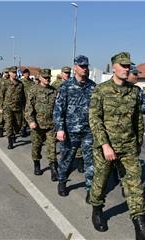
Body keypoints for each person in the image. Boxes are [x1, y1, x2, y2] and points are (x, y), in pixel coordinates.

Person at [89, 52, 145, 238]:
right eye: (122, 65)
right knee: (101, 181)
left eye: (128, 65)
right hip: (106, 147)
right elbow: (94, 119)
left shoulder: (134, 91)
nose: (126, 68)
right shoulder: (101, 90)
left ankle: (140, 225)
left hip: (128, 147)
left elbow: (138, 119)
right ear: (113, 67)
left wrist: (139, 142)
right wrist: (105, 145)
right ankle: (97, 210)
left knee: (135, 184)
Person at [54, 55, 96, 202]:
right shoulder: (65, 86)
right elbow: (58, 109)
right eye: (81, 66)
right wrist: (60, 129)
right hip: (70, 131)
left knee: (90, 161)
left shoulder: (93, 86)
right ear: (75, 67)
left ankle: (91, 190)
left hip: (88, 131)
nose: (84, 69)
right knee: (67, 158)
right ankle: (62, 181)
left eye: (86, 66)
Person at [25, 69, 58, 181]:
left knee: (51, 148)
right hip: (37, 125)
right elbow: (29, 108)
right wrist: (31, 121)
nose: (47, 79)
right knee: (36, 146)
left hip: (51, 125)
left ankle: (54, 169)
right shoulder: (33, 90)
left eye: (49, 77)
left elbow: (57, 108)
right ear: (40, 78)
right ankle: (37, 163)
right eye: (45, 77)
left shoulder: (54, 91)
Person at [0, 66, 25, 149]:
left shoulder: (20, 84)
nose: (15, 74)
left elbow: (23, 97)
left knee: (18, 125)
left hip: (18, 108)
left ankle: (13, 134)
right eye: (13, 72)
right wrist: (0, 107)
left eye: (15, 72)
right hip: (7, 108)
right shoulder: (4, 83)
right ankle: (10, 142)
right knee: (9, 124)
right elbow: (0, 96)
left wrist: (24, 107)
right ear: (9, 73)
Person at [0, 68, 10, 138]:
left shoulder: (11, 80)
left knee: (9, 118)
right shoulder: (0, 81)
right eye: (6, 72)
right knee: (1, 117)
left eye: (8, 72)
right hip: (1, 102)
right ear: (4, 73)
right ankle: (1, 131)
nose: (7, 74)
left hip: (9, 102)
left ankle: (10, 133)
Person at [20, 68, 34, 137]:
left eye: (28, 73)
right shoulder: (21, 82)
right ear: (23, 74)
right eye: (25, 73)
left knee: (30, 114)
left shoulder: (32, 82)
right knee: (23, 115)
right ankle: (23, 129)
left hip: (30, 101)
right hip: (23, 101)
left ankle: (29, 128)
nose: (27, 75)